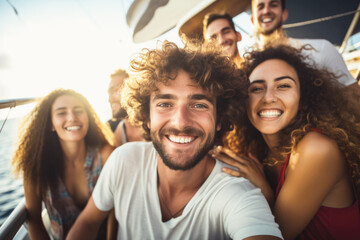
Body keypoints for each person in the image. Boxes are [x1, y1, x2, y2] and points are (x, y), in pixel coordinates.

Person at [66, 41, 283, 240]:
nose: (180, 122)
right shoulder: (124, 160)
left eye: (199, 105)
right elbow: (88, 221)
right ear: (147, 117)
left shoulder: (238, 195)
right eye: (165, 104)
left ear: (219, 120)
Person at [213, 44, 360, 239]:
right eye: (256, 88)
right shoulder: (257, 148)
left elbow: (273, 234)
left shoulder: (316, 148)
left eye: (283, 86)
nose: (268, 97)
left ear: (303, 97)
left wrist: (264, 189)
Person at [12, 89, 115, 240]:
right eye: (61, 113)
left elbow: (116, 213)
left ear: (88, 118)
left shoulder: (107, 156)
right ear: (51, 124)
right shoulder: (36, 166)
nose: (72, 117)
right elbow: (34, 219)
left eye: (79, 111)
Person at [250, 0, 359, 92]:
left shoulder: (320, 48)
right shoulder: (250, 66)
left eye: (273, 5)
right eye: (260, 7)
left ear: (284, 14)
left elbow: (355, 99)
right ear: (252, 19)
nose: (266, 10)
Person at [107, 68, 145, 146]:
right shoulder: (120, 133)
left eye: (115, 90)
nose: (110, 99)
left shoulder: (152, 124)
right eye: (109, 93)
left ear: (133, 89)